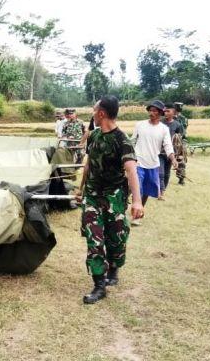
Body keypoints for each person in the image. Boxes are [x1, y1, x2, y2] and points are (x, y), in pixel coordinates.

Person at [77, 96, 143, 304]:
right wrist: (80, 188)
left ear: (102, 113)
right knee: (94, 239)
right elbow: (88, 165)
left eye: (94, 111)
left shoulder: (122, 141)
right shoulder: (94, 136)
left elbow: (131, 171)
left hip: (114, 197)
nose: (92, 114)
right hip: (92, 196)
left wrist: (137, 201)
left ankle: (114, 267)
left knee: (116, 239)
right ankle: (99, 285)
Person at [131, 100, 177, 225]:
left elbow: (168, 146)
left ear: (160, 113)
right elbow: (132, 141)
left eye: (155, 111)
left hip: (153, 164)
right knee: (138, 189)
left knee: (147, 190)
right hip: (139, 161)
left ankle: (140, 209)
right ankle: (135, 216)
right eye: (150, 110)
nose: (151, 113)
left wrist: (173, 159)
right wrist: (128, 157)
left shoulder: (164, 129)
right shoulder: (140, 125)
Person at [158, 105, 184, 199]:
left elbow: (180, 139)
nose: (166, 113)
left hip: (171, 153)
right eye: (165, 111)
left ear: (173, 113)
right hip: (160, 152)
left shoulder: (177, 125)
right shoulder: (160, 123)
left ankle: (163, 190)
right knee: (160, 173)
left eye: (168, 111)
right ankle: (160, 192)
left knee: (167, 173)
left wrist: (179, 153)